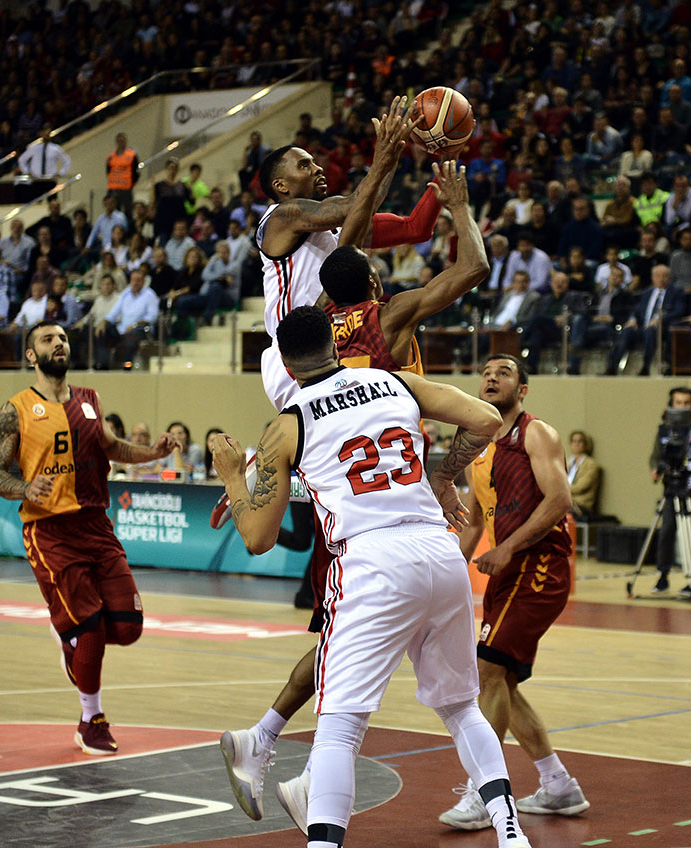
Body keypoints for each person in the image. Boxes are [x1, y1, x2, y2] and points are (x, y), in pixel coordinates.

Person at [217, 158, 491, 831]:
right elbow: (464, 268)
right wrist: (449, 196)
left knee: (348, 637)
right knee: (384, 660)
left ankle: (275, 747)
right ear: (369, 279)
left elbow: (360, 229)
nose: (313, 168)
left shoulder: (322, 323)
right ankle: (286, 754)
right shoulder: (383, 313)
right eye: (301, 164)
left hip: (343, 470)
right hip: (383, 500)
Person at [215, 305, 532, 848]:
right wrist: (440, 474)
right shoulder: (393, 380)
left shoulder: (287, 423)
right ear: (336, 348)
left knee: (339, 726)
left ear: (287, 366)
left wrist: (231, 477)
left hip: (370, 562)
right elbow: (486, 419)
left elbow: (257, 538)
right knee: (461, 707)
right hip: (439, 550)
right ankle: (510, 832)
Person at [0, 320, 176, 754]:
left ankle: (69, 636)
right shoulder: (14, 409)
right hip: (50, 532)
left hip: (97, 525)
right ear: (31, 356)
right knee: (91, 629)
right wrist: (23, 488)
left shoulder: (89, 400)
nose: (59, 343)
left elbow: (111, 447)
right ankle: (90, 718)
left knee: (128, 628)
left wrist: (153, 452)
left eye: (62, 338)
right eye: (47, 340)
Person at [438, 354, 589, 831]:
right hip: (510, 567)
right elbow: (478, 518)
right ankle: (559, 784)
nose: (491, 378)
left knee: (488, 670)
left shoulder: (535, 433)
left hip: (541, 563)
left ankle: (487, 794)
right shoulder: (477, 445)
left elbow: (560, 500)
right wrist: (449, 568)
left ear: (521, 390)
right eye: (486, 372)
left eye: (503, 373)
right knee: (501, 681)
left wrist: (505, 549)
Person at [255, 96, 445, 413]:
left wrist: (444, 167)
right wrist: (383, 157)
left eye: (315, 162)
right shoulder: (279, 218)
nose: (317, 168)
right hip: (294, 349)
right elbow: (353, 207)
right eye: (304, 165)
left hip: (334, 339)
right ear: (281, 185)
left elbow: (415, 228)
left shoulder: (336, 229)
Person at [649, 386, 691, 598]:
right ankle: (662, 575)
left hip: (690, 488)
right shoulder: (664, 430)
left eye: (687, 403)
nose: (682, 407)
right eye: (679, 403)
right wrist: (656, 468)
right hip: (672, 489)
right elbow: (657, 456)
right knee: (667, 531)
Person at [606, 265, 685, 376]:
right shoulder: (647, 292)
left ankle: (645, 367)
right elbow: (637, 310)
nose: (661, 279)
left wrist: (659, 319)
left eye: (664, 276)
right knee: (627, 330)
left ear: (669, 278)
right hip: (642, 327)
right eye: (658, 276)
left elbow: (679, 311)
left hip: (662, 329)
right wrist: (633, 319)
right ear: (652, 278)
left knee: (650, 330)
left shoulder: (676, 292)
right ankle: (612, 368)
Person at [95, 268, 159, 369]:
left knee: (132, 335)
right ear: (130, 281)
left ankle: (127, 366)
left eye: (138, 280)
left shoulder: (150, 295)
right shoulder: (125, 294)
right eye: (134, 280)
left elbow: (152, 317)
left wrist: (134, 325)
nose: (136, 283)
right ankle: (103, 365)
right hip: (122, 330)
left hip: (141, 330)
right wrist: (103, 322)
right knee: (103, 331)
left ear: (143, 281)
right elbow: (113, 314)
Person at [83, 195, 129, 261]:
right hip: (103, 246)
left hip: (116, 246)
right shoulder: (101, 218)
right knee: (87, 254)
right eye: (106, 204)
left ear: (114, 204)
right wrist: (87, 246)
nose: (108, 206)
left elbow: (124, 234)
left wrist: (108, 248)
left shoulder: (120, 217)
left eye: (110, 203)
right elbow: (94, 233)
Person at [567, 431, 601, 516]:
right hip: (564, 501)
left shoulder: (591, 465)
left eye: (580, 441)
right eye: (574, 441)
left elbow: (580, 488)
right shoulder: (567, 463)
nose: (576, 444)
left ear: (585, 445)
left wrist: (558, 491)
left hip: (580, 505)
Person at [106, 132, 140, 218]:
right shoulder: (111, 156)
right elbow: (108, 171)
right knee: (114, 212)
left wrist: (131, 184)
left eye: (123, 140)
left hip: (126, 189)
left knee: (128, 212)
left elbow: (136, 172)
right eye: (119, 140)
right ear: (116, 142)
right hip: (114, 189)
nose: (121, 142)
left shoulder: (132, 155)